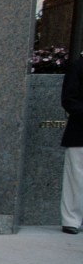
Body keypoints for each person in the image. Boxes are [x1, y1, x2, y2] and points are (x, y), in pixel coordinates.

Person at [59, 54, 83, 234]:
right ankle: (71, 220)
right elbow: (68, 99)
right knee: (76, 178)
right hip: (80, 132)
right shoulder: (77, 66)